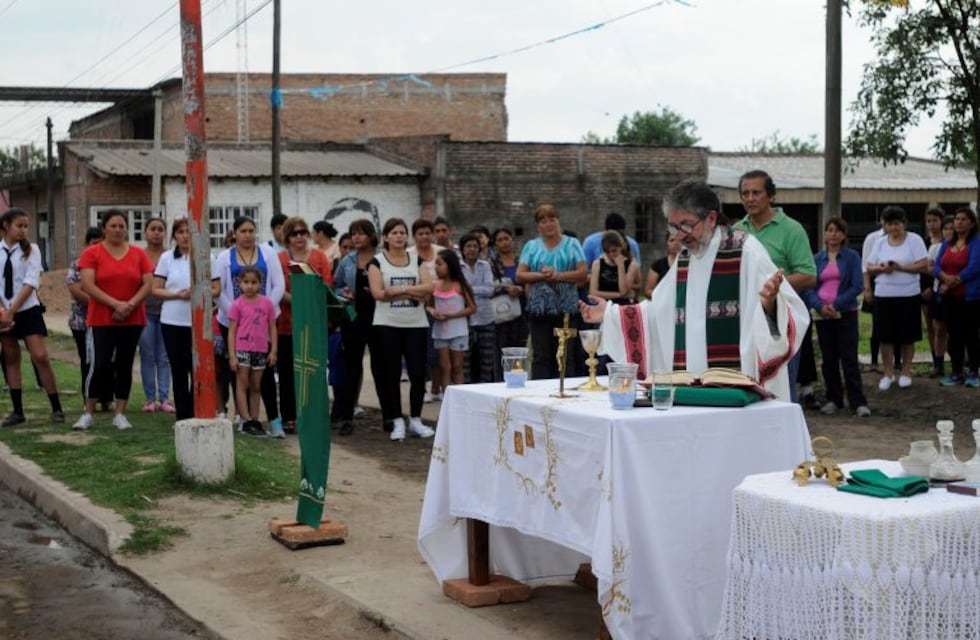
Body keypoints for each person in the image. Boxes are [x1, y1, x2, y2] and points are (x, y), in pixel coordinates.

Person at [579, 180, 809, 401]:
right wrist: (611, 314)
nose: (679, 235)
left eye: (687, 225)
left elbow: (791, 315)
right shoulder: (687, 257)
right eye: (673, 226)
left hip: (736, 390)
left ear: (710, 218)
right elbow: (659, 312)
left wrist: (770, 305)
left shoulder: (746, 252)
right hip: (691, 384)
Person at [733, 170, 817, 403]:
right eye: (745, 193)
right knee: (748, 382)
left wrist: (771, 287)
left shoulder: (792, 229)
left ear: (771, 195)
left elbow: (809, 275)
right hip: (745, 320)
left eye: (756, 192)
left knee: (781, 385)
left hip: (779, 319)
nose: (750, 198)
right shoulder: (737, 231)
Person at [74, 209, 154, 430]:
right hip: (102, 318)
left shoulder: (139, 254)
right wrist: (115, 304)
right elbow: (88, 285)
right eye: (113, 226)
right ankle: (88, 412)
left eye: (122, 226)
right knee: (99, 364)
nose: (118, 230)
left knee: (125, 364)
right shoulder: (92, 253)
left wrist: (129, 305)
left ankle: (120, 413)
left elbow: (148, 284)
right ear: (104, 229)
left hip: (133, 317)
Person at [213, 217, 286, 433]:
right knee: (239, 372)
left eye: (251, 230)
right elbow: (220, 291)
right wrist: (240, 314)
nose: (248, 235)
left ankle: (273, 419)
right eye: (243, 231)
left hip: (265, 321)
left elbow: (278, 284)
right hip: (234, 322)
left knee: (264, 372)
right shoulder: (224, 257)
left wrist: (263, 310)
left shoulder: (268, 252)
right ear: (234, 233)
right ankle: (244, 419)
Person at [368, 218, 436, 441]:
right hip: (387, 324)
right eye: (394, 233)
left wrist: (401, 289)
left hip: (416, 324)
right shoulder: (377, 263)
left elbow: (429, 289)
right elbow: (378, 293)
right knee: (392, 373)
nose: (399, 236)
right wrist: (413, 293)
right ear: (385, 237)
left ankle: (415, 419)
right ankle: (397, 419)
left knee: (418, 373)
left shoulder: (418, 261)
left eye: (402, 233)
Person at [0, 208, 64, 426]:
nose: (23, 230)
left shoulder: (32, 250)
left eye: (26, 226)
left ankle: (56, 407)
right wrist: (3, 310)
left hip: (27, 309)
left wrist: (12, 310)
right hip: (3, 311)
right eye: (19, 225)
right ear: (6, 225)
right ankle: (18, 410)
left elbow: (30, 282)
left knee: (39, 356)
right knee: (10, 357)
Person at [803, 218, 870, 416]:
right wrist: (820, 306)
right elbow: (810, 287)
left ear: (843, 235)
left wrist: (836, 304)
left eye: (837, 231)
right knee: (828, 358)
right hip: (822, 315)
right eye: (829, 230)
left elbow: (857, 285)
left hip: (846, 313)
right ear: (825, 234)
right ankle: (834, 398)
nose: (832, 234)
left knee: (848, 358)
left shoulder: (851, 257)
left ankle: (857, 401)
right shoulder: (816, 259)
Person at [516, 204, 588, 379]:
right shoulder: (531, 246)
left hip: (566, 309)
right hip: (539, 310)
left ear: (558, 221)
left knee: (565, 356)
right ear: (538, 225)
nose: (548, 224)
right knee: (541, 356)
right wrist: (541, 275)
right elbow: (520, 274)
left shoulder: (572, 244)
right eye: (543, 220)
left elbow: (582, 272)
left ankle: (566, 393)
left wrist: (559, 275)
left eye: (551, 219)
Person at [276, 217, 332, 434]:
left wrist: (310, 303)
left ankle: (313, 415)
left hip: (314, 323)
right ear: (287, 237)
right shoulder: (281, 259)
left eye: (302, 232)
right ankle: (289, 417)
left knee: (314, 371)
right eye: (293, 233)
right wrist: (300, 302)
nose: (298, 237)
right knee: (288, 373)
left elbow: (326, 284)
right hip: (287, 324)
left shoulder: (319, 257)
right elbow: (278, 287)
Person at [866, 206, 928, 390]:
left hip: (908, 294)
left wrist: (900, 267)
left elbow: (923, 265)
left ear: (904, 224)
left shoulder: (914, 240)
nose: (893, 228)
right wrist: (882, 268)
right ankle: (888, 373)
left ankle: (906, 372)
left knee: (907, 336)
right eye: (889, 224)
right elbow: (869, 266)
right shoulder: (880, 242)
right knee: (885, 336)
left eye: (896, 224)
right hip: (884, 295)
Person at [333, 219, 379, 436]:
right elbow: (336, 285)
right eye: (353, 234)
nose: (356, 237)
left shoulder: (382, 258)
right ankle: (346, 416)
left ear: (371, 235)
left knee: (382, 368)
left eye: (361, 233)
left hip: (380, 318)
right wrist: (344, 294)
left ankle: (391, 416)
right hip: (353, 319)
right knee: (352, 367)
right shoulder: (347, 261)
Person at [152, 217, 197, 421]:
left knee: (196, 369)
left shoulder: (206, 257)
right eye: (180, 232)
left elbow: (216, 287)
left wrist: (197, 293)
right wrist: (177, 295)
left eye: (189, 232)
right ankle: (183, 415)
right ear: (174, 236)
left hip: (196, 322)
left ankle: (197, 409)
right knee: (178, 370)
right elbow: (156, 289)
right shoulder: (167, 258)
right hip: (172, 322)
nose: (185, 236)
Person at [228, 266, 278, 437]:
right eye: (246, 282)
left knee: (256, 385)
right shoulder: (237, 304)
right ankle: (245, 419)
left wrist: (274, 351)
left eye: (253, 282)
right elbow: (232, 331)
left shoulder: (267, 303)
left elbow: (272, 328)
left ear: (260, 284)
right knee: (243, 384)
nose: (249, 286)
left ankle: (255, 420)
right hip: (242, 349)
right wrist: (232, 355)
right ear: (239, 284)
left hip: (261, 350)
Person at [67, 226, 113, 413]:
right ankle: (89, 400)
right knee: (88, 361)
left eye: (99, 243)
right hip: (82, 321)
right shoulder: (78, 264)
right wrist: (100, 301)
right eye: (93, 243)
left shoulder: (109, 262)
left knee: (107, 360)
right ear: (87, 244)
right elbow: (76, 289)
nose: (96, 247)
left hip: (106, 320)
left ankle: (107, 398)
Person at [934, 207, 980, 387]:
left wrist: (954, 281)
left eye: (963, 219)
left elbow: (975, 267)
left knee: (971, 335)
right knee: (954, 336)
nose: (959, 222)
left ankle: (974, 372)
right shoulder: (947, 243)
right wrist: (944, 278)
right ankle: (956, 372)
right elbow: (937, 265)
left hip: (970, 297)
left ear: (972, 223)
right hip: (949, 297)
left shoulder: (976, 242)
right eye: (957, 219)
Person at [137, 217, 174, 414]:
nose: (157, 232)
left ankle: (165, 398)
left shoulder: (170, 256)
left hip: (168, 312)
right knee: (147, 355)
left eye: (161, 229)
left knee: (164, 357)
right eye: (153, 229)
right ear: (145, 232)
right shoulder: (139, 255)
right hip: (145, 312)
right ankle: (150, 399)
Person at [427, 249, 475, 390]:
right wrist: (433, 312)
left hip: (458, 332)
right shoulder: (435, 285)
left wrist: (451, 315)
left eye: (439, 264)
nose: (436, 267)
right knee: (444, 366)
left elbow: (472, 308)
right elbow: (428, 306)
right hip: (440, 332)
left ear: (450, 265)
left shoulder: (460, 285)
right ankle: (446, 396)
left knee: (457, 366)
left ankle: (459, 394)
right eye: (435, 264)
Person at [408, 218, 445, 402]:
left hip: (443, 305)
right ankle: (421, 389)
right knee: (419, 352)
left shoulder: (442, 253)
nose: (424, 237)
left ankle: (436, 389)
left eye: (427, 233)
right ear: (414, 236)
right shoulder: (408, 255)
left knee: (438, 350)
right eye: (420, 233)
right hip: (417, 305)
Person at [459, 232, 497, 383]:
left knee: (486, 361)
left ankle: (485, 389)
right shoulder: (458, 267)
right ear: (462, 249)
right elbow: (458, 290)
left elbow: (490, 290)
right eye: (468, 246)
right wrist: (474, 289)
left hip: (486, 318)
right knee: (466, 360)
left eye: (475, 246)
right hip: (465, 318)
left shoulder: (485, 265)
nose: (472, 249)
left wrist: (469, 289)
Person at [491, 227, 528, 360]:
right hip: (501, 312)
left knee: (521, 348)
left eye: (506, 239)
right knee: (501, 350)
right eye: (500, 240)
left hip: (523, 310)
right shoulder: (491, 263)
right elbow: (488, 287)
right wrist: (505, 289)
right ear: (495, 244)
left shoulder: (522, 261)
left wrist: (520, 290)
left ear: (512, 240)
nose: (504, 242)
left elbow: (530, 282)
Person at [922, 207, 947, 378]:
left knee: (943, 327)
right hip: (924, 290)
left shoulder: (948, 242)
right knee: (930, 327)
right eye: (929, 221)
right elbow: (922, 267)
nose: (932, 224)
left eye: (935, 221)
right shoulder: (923, 243)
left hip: (942, 288)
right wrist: (924, 289)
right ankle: (936, 362)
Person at [589, 230, 640, 305]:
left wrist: (620, 266)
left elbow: (623, 290)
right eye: (607, 252)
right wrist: (619, 295)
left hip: (623, 305)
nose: (611, 255)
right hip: (604, 305)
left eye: (614, 251)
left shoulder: (632, 265)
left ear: (621, 247)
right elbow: (593, 292)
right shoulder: (598, 264)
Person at [645, 232, 681, 297]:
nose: (676, 243)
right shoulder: (657, 265)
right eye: (672, 240)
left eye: (679, 240)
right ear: (667, 243)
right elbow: (648, 290)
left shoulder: (691, 264)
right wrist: (663, 297)